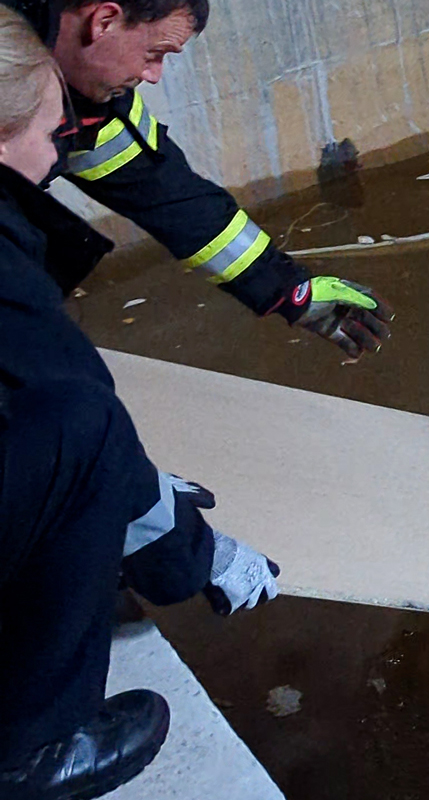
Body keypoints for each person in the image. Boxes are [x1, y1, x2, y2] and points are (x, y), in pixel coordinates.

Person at [0, 9, 276, 797]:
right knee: (83, 424)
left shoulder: (23, 58)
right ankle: (35, 750)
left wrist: (285, 287)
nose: (64, 156)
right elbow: (74, 414)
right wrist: (192, 552)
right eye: (56, 138)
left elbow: (159, 183)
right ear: (105, 19)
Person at [3, 0, 394, 361]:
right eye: (154, 54)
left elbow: (172, 197)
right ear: (104, 20)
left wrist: (290, 290)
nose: (152, 75)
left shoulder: (90, 100)